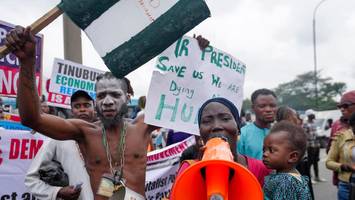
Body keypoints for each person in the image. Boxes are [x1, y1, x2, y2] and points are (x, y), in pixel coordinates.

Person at [5, 26, 156, 200]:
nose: (107, 101)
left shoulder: (143, 126)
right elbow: (32, 119)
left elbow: (186, 109)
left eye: (115, 95)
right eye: (101, 95)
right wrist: (27, 61)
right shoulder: (85, 132)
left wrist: (195, 60)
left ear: (128, 99)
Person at [177, 97, 271, 186]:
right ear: (200, 133)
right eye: (207, 121)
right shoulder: (188, 169)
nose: (216, 126)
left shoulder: (261, 169)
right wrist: (199, 175)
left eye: (225, 119)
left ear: (238, 128)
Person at [25, 90, 96, 200]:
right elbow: (31, 178)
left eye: (87, 105)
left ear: (94, 108)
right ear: (72, 110)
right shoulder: (57, 136)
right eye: (77, 106)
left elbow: (113, 175)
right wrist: (57, 192)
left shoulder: (106, 137)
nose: (82, 109)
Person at [263, 121, 311, 200]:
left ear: (292, 157)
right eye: (264, 150)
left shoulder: (285, 183)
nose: (265, 154)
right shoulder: (292, 176)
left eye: (271, 150)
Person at [275, 106, 314, 199]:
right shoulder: (282, 136)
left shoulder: (296, 132)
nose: (298, 118)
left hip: (303, 168)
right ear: (288, 118)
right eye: (295, 116)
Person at [238, 89, 277, 160]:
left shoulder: (282, 133)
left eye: (272, 105)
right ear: (253, 108)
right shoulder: (242, 134)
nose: (268, 109)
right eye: (262, 106)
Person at [326, 90, 355, 186]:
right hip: (345, 179)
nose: (342, 109)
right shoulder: (336, 125)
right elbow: (330, 154)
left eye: (346, 105)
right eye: (340, 106)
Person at [326, 112, 355, 200]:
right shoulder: (340, 137)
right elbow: (328, 162)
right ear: (351, 125)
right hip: (347, 186)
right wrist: (343, 167)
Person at [303, 109, 325, 183]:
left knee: (316, 161)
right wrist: (313, 137)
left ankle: (317, 177)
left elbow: (316, 133)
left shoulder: (315, 123)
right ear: (309, 115)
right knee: (310, 162)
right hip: (310, 146)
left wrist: (319, 136)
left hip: (316, 145)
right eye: (313, 114)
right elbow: (304, 135)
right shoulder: (305, 124)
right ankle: (309, 178)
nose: (314, 115)